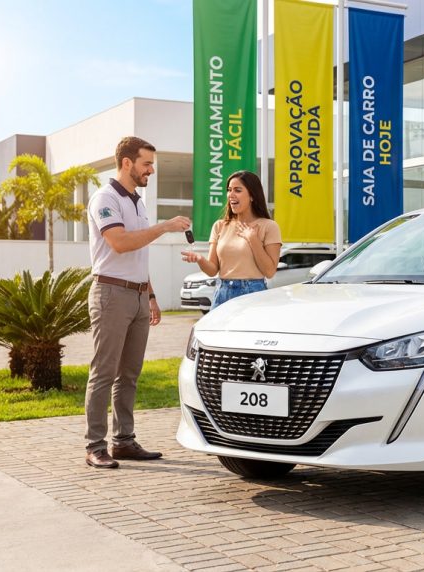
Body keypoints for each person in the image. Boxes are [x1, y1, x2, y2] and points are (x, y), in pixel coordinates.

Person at [84, 136, 191, 469]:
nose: (151, 170)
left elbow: (138, 254)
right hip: (111, 294)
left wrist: (151, 295)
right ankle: (95, 446)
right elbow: (119, 243)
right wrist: (165, 227)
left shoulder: (138, 202)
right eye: (147, 164)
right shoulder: (105, 198)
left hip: (138, 295)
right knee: (104, 372)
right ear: (127, 162)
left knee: (129, 374)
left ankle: (124, 442)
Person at [181, 170, 282, 309]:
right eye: (229, 190)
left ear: (252, 195)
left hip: (252, 294)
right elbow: (212, 270)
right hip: (222, 292)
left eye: (237, 190)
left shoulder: (269, 226)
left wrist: (252, 239)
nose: (231, 195)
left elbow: (269, 272)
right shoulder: (219, 226)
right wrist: (200, 259)